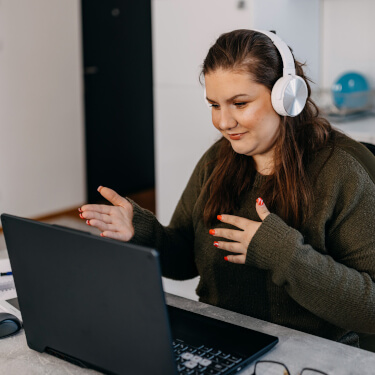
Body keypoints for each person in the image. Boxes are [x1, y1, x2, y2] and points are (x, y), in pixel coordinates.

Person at [79, 29, 375, 347]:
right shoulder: (218, 160)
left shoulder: (341, 172)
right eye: (214, 105)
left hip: (310, 357)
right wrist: (142, 231)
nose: (223, 122)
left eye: (239, 103)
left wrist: (286, 256)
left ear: (288, 97)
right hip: (220, 341)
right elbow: (183, 260)